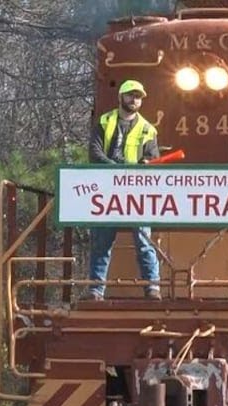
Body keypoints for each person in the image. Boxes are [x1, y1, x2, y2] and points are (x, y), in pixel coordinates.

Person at [85, 79, 162, 300]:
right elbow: (95, 152)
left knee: (144, 240)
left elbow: (152, 158)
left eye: (138, 96)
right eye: (131, 95)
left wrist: (146, 163)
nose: (135, 100)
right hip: (107, 191)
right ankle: (95, 289)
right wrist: (115, 169)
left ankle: (152, 287)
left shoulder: (148, 129)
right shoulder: (104, 121)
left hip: (136, 193)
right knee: (102, 240)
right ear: (121, 97)